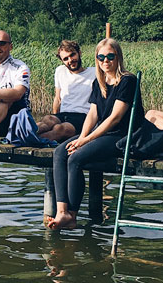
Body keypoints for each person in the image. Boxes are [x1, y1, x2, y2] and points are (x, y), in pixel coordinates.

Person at [48, 38, 143, 230]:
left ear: (118, 57)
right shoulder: (99, 82)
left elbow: (115, 118)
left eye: (110, 56)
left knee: (75, 158)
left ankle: (72, 216)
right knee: (60, 152)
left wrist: (85, 141)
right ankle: (62, 211)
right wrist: (82, 137)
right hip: (101, 133)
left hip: (121, 135)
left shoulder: (127, 80)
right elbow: (93, 114)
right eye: (101, 57)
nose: (105, 61)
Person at [36, 40, 93, 142]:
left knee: (60, 128)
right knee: (48, 119)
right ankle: (25, 133)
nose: (70, 60)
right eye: (65, 59)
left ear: (79, 53)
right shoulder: (60, 71)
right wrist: (55, 116)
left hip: (82, 116)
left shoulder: (94, 73)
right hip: (64, 113)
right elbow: (57, 98)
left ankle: (35, 141)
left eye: (72, 55)